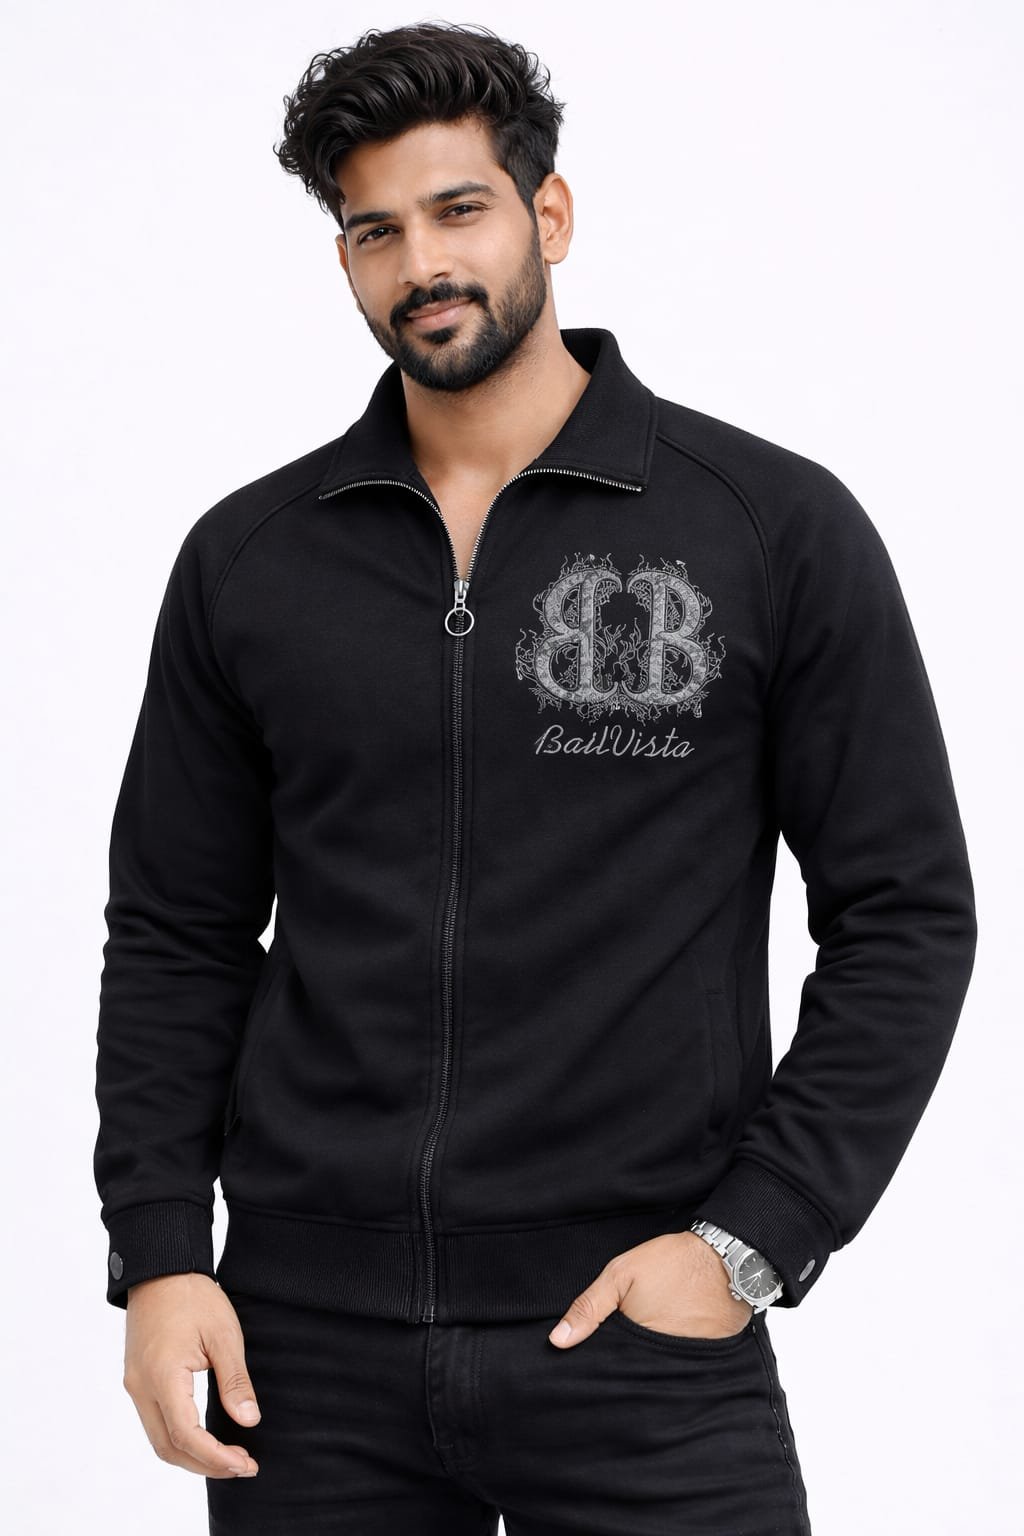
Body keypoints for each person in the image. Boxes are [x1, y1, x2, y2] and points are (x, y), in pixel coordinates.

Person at [93, 20, 977, 1536]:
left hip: (637, 1339)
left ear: (547, 214)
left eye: (459, 210)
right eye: (375, 230)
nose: (422, 263)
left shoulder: (765, 528)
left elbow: (905, 912)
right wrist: (162, 1250)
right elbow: (177, 928)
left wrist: (756, 1237)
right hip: (306, 1351)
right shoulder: (252, 560)